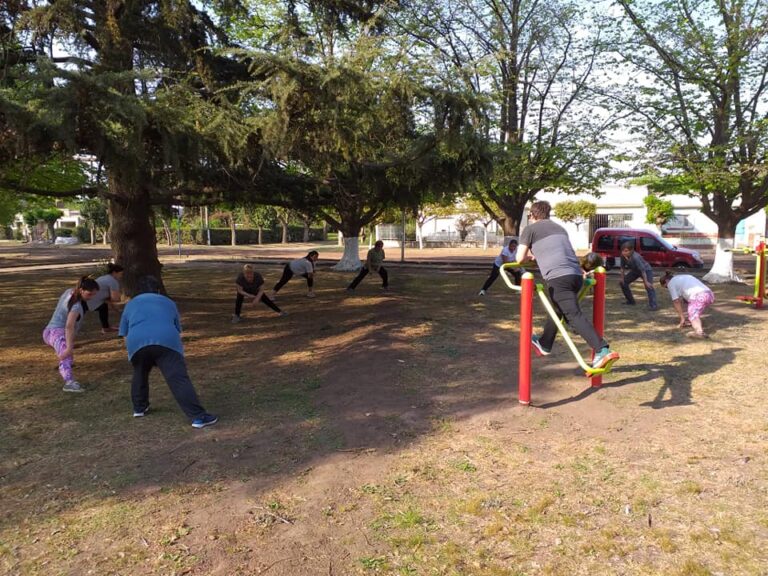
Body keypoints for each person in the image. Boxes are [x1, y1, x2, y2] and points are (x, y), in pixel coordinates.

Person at [516, 200, 619, 370]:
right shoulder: (560, 228)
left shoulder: (530, 229)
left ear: (533, 215)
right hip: (575, 276)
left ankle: (602, 350)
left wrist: (531, 258)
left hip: (558, 278)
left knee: (573, 315)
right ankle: (545, 343)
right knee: (557, 309)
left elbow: (519, 258)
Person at [119, 275, 218, 428]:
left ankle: (139, 407)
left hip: (136, 342)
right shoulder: (168, 302)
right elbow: (177, 328)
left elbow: (124, 331)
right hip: (166, 340)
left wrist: (132, 351)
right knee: (178, 378)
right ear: (158, 290)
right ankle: (198, 417)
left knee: (140, 372)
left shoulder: (130, 304)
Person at [43, 276, 100, 392]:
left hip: (52, 331)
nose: (92, 297)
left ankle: (65, 365)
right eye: (89, 294)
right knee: (66, 352)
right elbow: (69, 326)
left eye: (94, 294)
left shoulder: (69, 292)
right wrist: (69, 347)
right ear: (81, 290)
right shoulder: (76, 305)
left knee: (67, 353)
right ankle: (69, 382)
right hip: (54, 332)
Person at [659, 271, 714, 338]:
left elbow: (676, 301)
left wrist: (682, 318)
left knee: (693, 314)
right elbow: (686, 298)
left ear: (667, 281)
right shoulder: (683, 277)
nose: (667, 288)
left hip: (699, 296)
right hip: (709, 294)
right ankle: (693, 322)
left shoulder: (670, 283)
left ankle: (699, 332)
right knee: (693, 311)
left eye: (666, 287)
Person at [86, 263, 125, 333]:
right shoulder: (113, 281)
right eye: (120, 274)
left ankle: (105, 327)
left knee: (103, 307)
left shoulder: (104, 277)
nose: (121, 276)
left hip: (88, 300)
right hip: (92, 301)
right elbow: (115, 299)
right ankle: (106, 328)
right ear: (114, 273)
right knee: (103, 307)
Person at [618, 242, 658, 310]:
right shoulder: (623, 256)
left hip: (646, 270)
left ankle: (653, 305)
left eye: (626, 251)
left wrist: (646, 282)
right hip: (635, 271)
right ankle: (631, 301)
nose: (623, 252)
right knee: (623, 283)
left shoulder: (635, 257)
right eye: (622, 251)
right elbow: (622, 268)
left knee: (648, 286)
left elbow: (643, 270)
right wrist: (622, 278)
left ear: (631, 250)